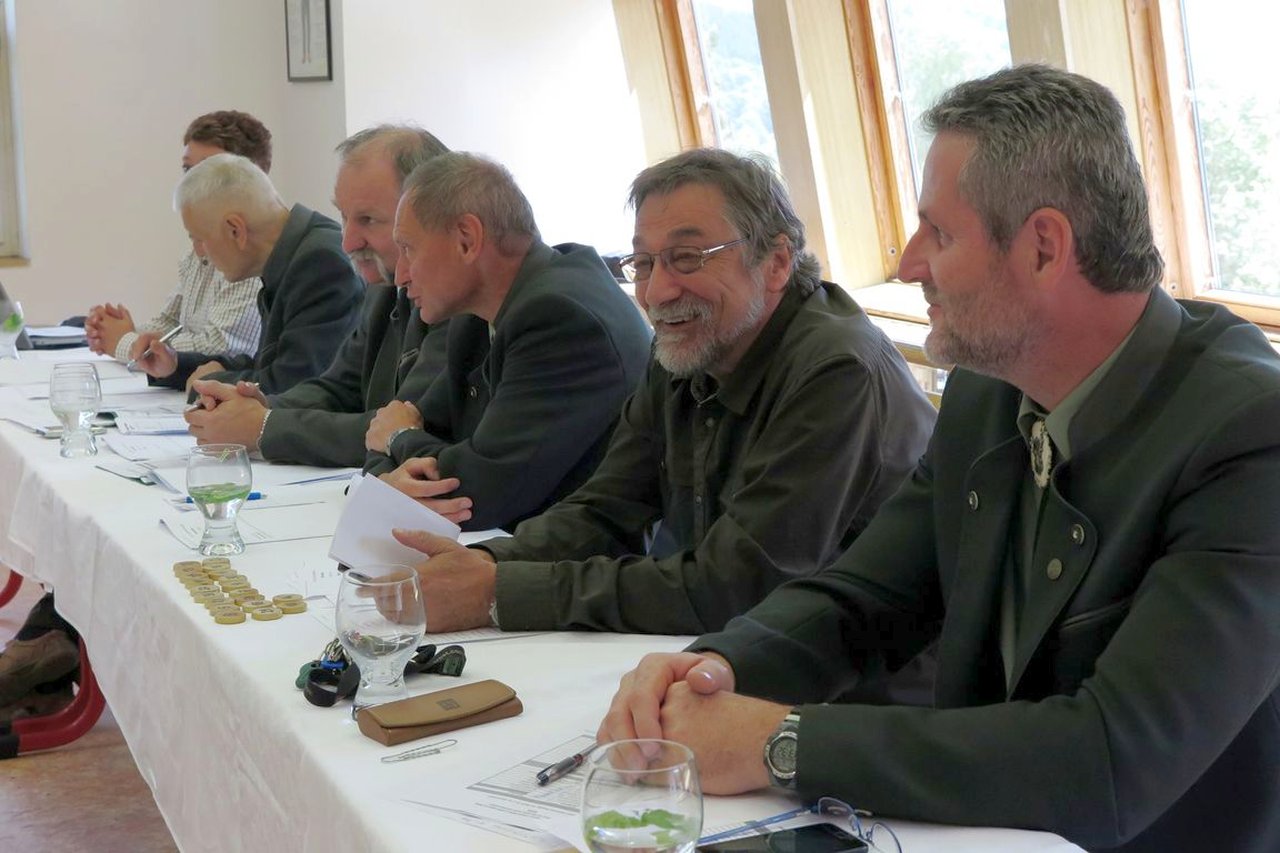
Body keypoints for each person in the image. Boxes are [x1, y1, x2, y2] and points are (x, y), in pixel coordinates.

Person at [597, 65, 1280, 853]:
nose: (909, 261)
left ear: (1044, 247)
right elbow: (864, 597)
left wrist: (780, 743)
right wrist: (711, 668)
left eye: (940, 233)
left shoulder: (1249, 435)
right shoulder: (989, 393)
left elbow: (1111, 758)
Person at [388, 148, 936, 635]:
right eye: (644, 263)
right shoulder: (688, 349)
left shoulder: (836, 371)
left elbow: (736, 584)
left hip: (856, 690)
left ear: (776, 262)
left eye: (687, 257)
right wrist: (486, 563)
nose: (656, 292)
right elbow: (605, 510)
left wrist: (498, 593)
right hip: (741, 649)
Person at [363, 151, 652, 531]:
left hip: (584, 555)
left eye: (407, 249)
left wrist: (399, 439)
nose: (400, 275)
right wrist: (389, 473)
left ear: (467, 240)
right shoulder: (477, 314)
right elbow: (396, 424)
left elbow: (477, 494)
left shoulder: (560, 318)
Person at [185, 125, 452, 468]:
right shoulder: (384, 286)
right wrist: (260, 407)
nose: (348, 242)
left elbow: (410, 425)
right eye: (344, 216)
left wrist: (264, 426)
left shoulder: (456, 299)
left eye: (368, 219)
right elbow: (339, 388)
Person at [136, 153, 363, 395]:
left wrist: (214, 380)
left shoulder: (319, 264)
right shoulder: (291, 254)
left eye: (199, 239)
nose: (200, 253)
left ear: (235, 230)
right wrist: (176, 365)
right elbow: (267, 364)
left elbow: (294, 384)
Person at [85, 111, 268, 363]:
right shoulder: (199, 247)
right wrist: (116, 332)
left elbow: (221, 346)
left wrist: (126, 343)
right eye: (187, 169)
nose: (191, 181)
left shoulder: (249, 252)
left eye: (206, 170)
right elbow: (171, 322)